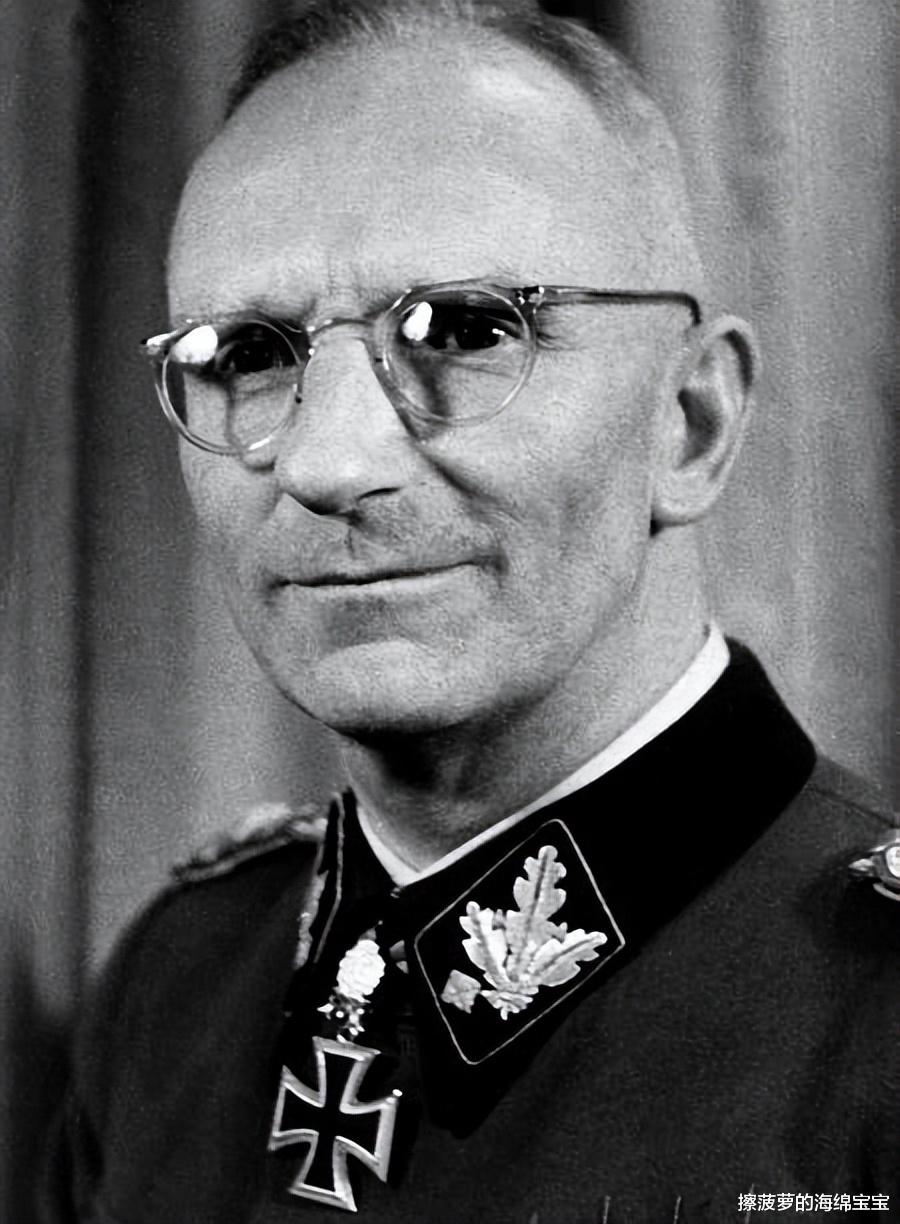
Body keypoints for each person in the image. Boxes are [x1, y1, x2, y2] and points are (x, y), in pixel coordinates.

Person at [41, 1, 898, 1221]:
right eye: (248, 354)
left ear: (691, 423)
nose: (329, 463)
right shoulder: (175, 988)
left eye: (463, 330)